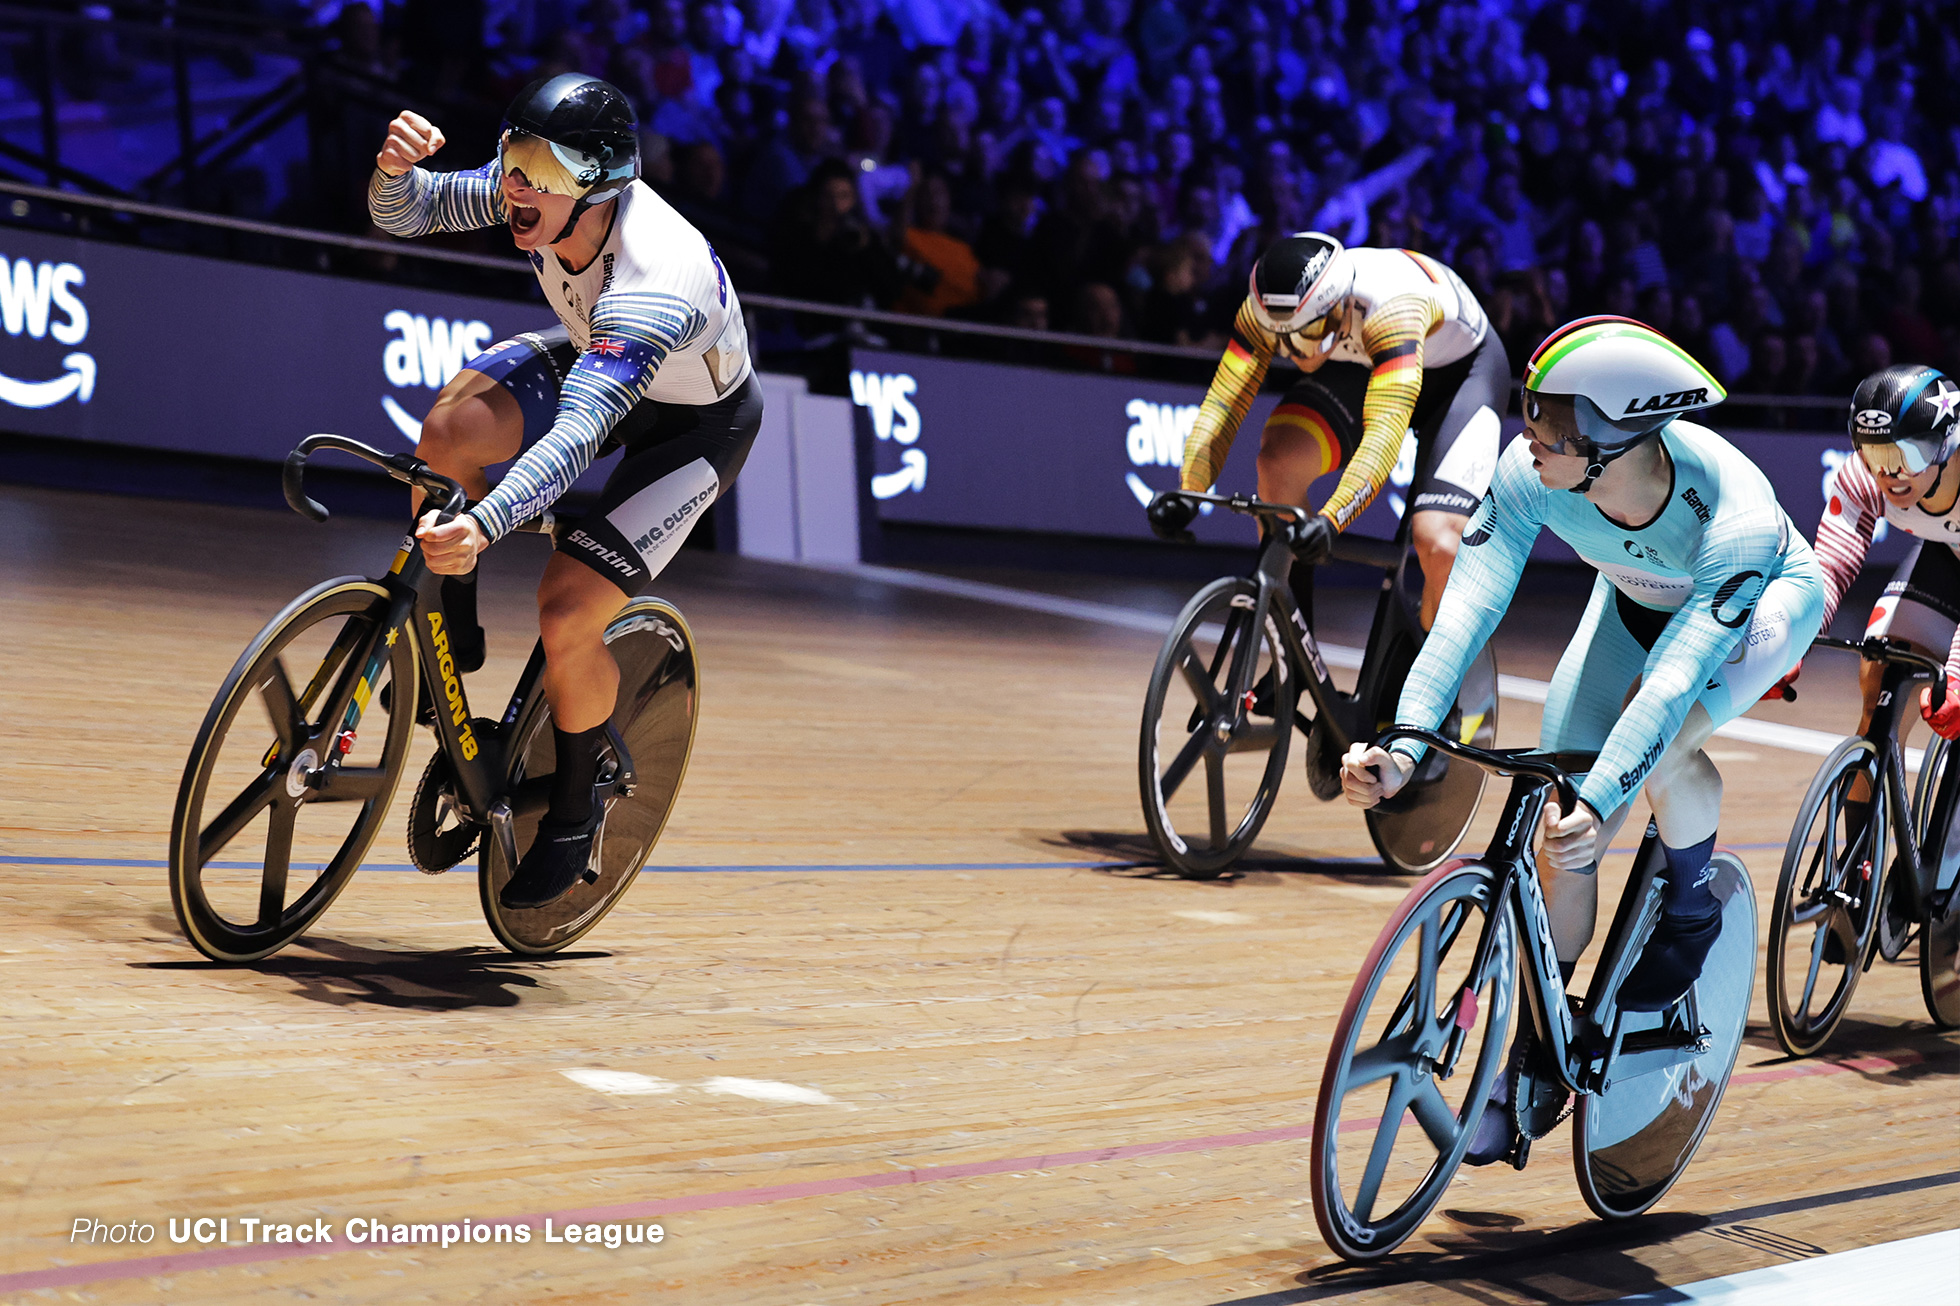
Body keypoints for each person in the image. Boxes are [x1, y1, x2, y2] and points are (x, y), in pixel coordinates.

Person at [1340, 316, 1824, 1163]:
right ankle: (1539, 1039)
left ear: (1618, 439)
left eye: (1551, 425)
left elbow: (1672, 687)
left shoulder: (1734, 519)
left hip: (1760, 610)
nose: (1529, 436)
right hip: (1633, 600)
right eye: (1530, 412)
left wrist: (1608, 798)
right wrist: (1406, 745)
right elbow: (1462, 617)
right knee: (1560, 832)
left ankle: (1690, 908)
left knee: (1659, 748)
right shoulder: (1533, 477)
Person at [367, 74, 761, 909]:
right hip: (601, 355)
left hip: (693, 427)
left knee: (566, 607)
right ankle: (451, 630)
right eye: (513, 156)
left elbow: (578, 436)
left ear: (601, 187)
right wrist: (395, 175)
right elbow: (410, 212)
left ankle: (577, 806)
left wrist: (486, 522)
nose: (515, 185)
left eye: (538, 170)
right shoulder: (540, 189)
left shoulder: (659, 274)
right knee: (449, 435)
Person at [1146, 232, 1510, 633]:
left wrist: (1331, 520)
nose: (1296, 352)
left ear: (1335, 307)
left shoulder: (1392, 308)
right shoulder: (1267, 308)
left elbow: (1384, 433)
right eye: (1281, 340)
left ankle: (1435, 685)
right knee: (1277, 463)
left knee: (1439, 540)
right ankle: (1292, 655)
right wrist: (1189, 490)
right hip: (1363, 362)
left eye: (1305, 333)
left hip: (1459, 376)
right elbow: (1223, 403)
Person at [1786, 364, 1960, 936]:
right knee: (1879, 679)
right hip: (1944, 554)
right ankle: (1854, 870)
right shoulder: (1866, 477)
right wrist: (1787, 642)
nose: (1889, 476)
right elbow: (1828, 569)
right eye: (1874, 456)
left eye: (1904, 457)